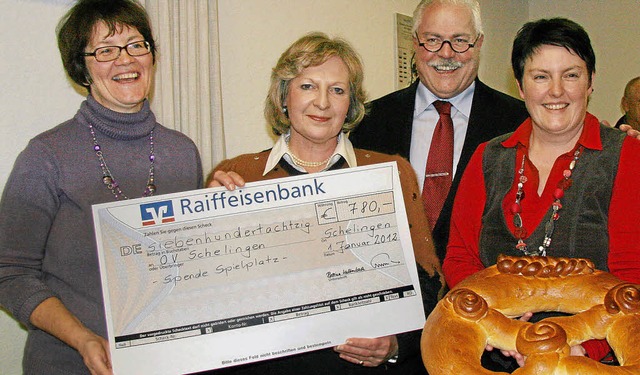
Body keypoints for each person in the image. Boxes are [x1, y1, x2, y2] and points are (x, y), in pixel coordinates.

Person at [205, 32, 443, 375]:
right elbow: (214, 294)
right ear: (283, 96)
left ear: (351, 104)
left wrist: (395, 345)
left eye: (337, 90)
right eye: (307, 86)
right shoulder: (236, 175)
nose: (322, 103)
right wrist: (211, 221)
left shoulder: (390, 173)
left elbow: (428, 284)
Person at [0, 0, 203, 373]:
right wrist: (82, 338)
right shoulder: (46, 156)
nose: (125, 60)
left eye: (136, 45)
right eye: (105, 50)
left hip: (163, 361)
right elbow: (10, 274)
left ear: (151, 56)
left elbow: (188, 263)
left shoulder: (182, 152)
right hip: (69, 362)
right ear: (82, 68)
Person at [443, 17, 640, 368]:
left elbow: (631, 276)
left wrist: (582, 349)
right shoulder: (487, 157)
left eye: (571, 75)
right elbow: (461, 258)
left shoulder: (627, 157)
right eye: (540, 76)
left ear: (591, 81)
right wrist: (501, 331)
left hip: (590, 357)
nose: (556, 91)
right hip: (493, 354)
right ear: (520, 86)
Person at [348, 0, 529, 262]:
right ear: (414, 42)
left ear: (479, 43)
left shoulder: (519, 124)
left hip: (484, 294)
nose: (446, 54)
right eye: (432, 40)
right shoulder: (368, 123)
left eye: (460, 40)